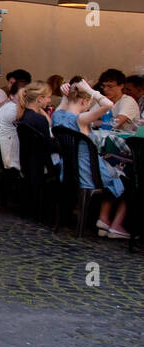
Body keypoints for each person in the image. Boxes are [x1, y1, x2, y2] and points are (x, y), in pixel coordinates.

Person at [53, 79, 128, 237]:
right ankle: (116, 224)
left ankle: (103, 219)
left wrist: (66, 94)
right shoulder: (80, 119)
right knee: (126, 176)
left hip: (67, 171)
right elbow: (108, 105)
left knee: (113, 165)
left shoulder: (57, 116)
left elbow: (64, 103)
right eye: (90, 103)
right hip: (88, 175)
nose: (89, 106)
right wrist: (92, 91)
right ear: (84, 100)